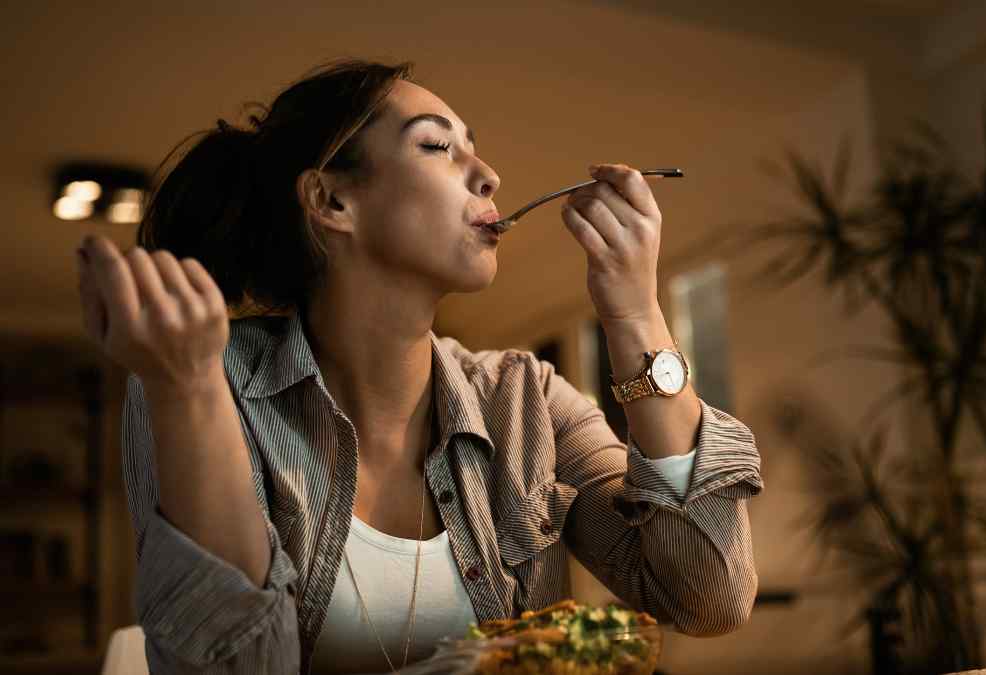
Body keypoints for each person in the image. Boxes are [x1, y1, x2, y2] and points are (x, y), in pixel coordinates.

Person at [75, 59, 763, 674]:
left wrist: (637, 314)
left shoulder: (527, 399)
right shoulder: (202, 378)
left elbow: (705, 594)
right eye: (437, 145)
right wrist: (187, 390)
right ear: (331, 201)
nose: (488, 173)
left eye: (474, 148)